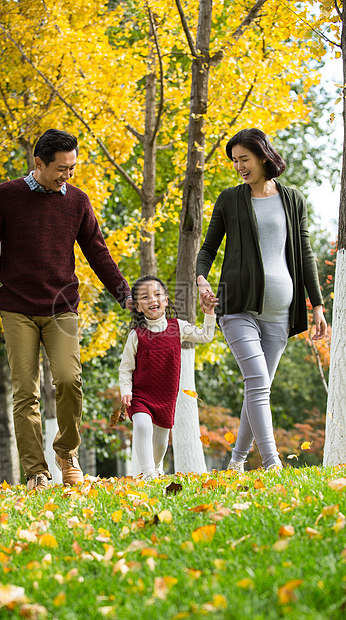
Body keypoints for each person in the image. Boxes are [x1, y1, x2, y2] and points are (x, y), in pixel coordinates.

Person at [0, 128, 133, 491]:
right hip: (17, 308)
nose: (67, 176)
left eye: (72, 168)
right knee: (26, 391)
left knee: (70, 381)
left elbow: (97, 252)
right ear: (38, 163)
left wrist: (125, 294)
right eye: (61, 168)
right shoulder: (6, 196)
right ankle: (36, 473)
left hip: (62, 307)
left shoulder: (77, 200)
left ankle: (66, 453)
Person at [196, 127, 327, 473]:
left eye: (245, 159)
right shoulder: (229, 199)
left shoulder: (292, 199)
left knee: (259, 390)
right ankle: (272, 464)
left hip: (281, 311)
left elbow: (306, 253)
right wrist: (200, 279)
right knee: (256, 383)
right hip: (238, 306)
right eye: (235, 161)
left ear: (263, 156)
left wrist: (317, 305)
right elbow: (208, 248)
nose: (239, 166)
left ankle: (236, 462)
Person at [119, 275, 217, 480]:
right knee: (143, 425)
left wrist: (209, 314)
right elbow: (126, 368)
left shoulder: (177, 327)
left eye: (157, 294)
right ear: (137, 307)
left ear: (165, 299)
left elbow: (206, 336)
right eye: (145, 297)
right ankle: (147, 474)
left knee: (161, 442)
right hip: (141, 395)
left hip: (166, 397)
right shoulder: (136, 335)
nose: (152, 300)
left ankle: (155, 467)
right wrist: (126, 392)